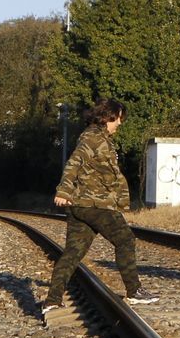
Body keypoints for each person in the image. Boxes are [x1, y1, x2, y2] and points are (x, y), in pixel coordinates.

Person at [41, 98, 158, 314]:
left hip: (83, 204)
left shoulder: (96, 137)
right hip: (95, 203)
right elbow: (73, 163)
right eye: (119, 119)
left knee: (73, 253)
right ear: (109, 117)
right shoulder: (93, 139)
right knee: (125, 239)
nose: (120, 123)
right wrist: (63, 191)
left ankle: (52, 300)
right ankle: (134, 291)